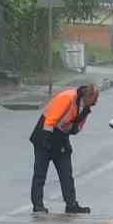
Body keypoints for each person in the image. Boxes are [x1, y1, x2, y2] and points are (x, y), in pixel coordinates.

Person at [30, 83, 99, 214]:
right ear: (87, 96)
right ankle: (38, 205)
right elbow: (50, 121)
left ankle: (71, 204)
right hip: (44, 134)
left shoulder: (85, 108)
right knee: (40, 173)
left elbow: (77, 128)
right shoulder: (68, 98)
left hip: (61, 137)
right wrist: (45, 143)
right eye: (93, 101)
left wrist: (73, 128)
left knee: (66, 173)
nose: (93, 105)